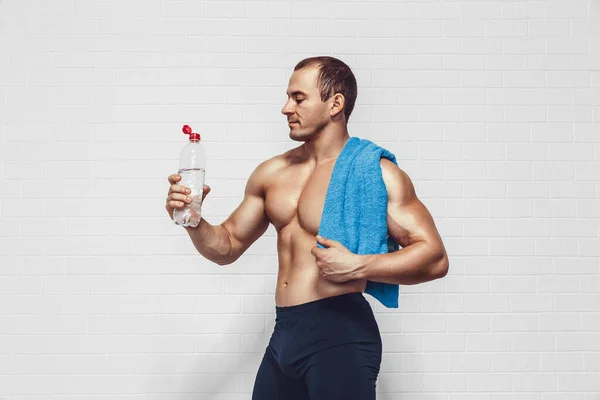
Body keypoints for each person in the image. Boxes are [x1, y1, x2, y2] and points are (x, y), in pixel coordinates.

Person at [165, 56, 449, 399]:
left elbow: (435, 258)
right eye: (287, 97)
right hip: (284, 333)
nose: (286, 108)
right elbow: (227, 245)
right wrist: (193, 219)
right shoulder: (272, 174)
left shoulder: (376, 173)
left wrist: (361, 264)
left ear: (335, 104)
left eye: (298, 98)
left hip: (340, 334)